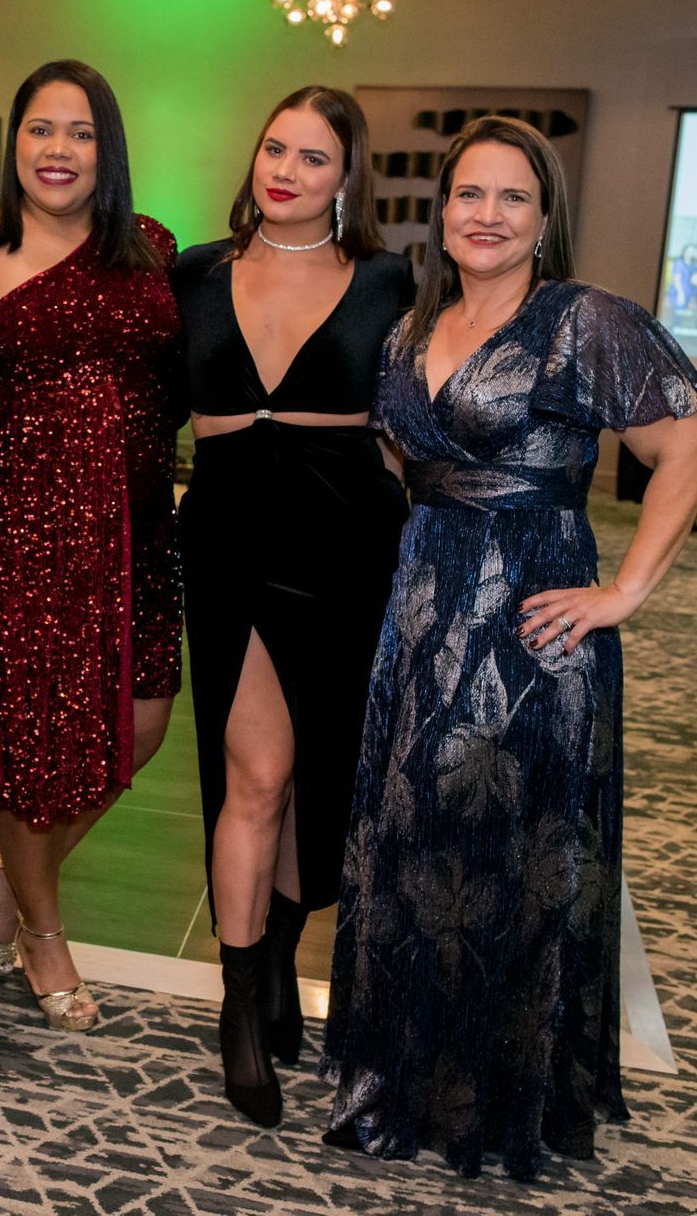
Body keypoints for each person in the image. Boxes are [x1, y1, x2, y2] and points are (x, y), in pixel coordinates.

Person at [320, 116, 697, 1180]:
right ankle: (406, 1078)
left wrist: (624, 592)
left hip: (534, 628)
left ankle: (499, 1102)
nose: (486, 215)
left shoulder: (583, 320)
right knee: (414, 841)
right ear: (441, 210)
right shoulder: (412, 330)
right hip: (422, 619)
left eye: (512, 198)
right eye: (469, 194)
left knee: (508, 856)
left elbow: (687, 448)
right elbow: (406, 460)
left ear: (544, 220)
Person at [170, 85, 412, 1127]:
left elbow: (415, 418)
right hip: (227, 540)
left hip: (347, 541)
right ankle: (239, 1000)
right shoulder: (193, 273)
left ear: (347, 177)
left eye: (315, 158)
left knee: (320, 774)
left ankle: (276, 958)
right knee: (255, 773)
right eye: (277, 148)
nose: (288, 171)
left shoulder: (390, 279)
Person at [0, 60, 183, 1032]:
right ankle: (43, 934)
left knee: (143, 725)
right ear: (15, 142)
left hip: (137, 527)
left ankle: (8, 879)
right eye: (40, 129)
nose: (58, 150)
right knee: (33, 749)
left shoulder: (151, 247)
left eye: (80, 132)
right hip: (22, 535)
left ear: (106, 148)